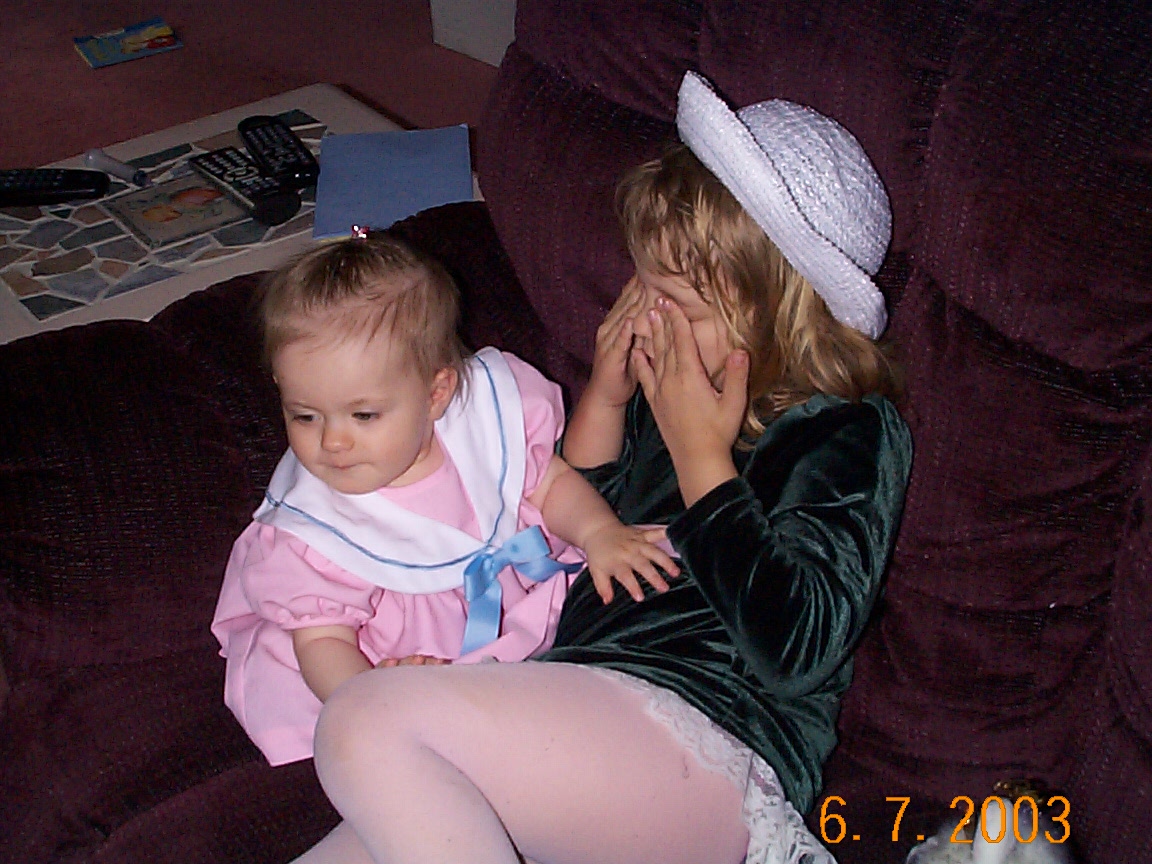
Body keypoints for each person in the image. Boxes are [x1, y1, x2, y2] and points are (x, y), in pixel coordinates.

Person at [291, 71, 914, 864]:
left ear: (775, 309)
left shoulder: (845, 430)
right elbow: (564, 538)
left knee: (363, 716)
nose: (647, 314)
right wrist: (610, 400)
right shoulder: (665, 392)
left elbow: (794, 649)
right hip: (586, 716)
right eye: (642, 285)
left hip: (715, 736)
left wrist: (701, 459)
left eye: (679, 302)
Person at [211, 230, 676, 767]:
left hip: (516, 602)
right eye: (305, 415)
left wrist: (599, 533)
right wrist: (374, 698)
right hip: (391, 659)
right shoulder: (313, 527)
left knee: (643, 590)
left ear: (436, 394)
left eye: (363, 415)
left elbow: (549, 482)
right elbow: (321, 642)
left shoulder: (481, 418)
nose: (333, 441)